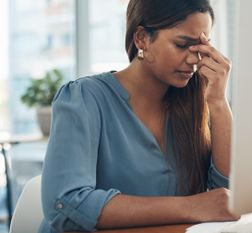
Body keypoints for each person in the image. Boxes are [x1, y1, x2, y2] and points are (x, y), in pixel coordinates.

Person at [38, 0, 238, 232]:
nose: (194, 60)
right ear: (141, 38)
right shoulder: (84, 97)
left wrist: (218, 102)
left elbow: (224, 199)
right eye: (183, 45)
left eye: (201, 48)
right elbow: (66, 204)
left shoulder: (191, 106)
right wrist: (190, 206)